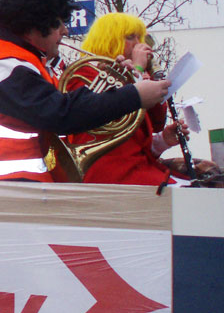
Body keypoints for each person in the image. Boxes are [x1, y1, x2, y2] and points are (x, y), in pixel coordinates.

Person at [0, 0, 170, 182]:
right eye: (59, 23)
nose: (65, 31)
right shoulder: (5, 67)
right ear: (34, 26)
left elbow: (70, 108)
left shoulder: (22, 63)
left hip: (11, 188)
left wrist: (121, 79)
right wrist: (132, 95)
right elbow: (61, 113)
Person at [62, 13, 190, 185]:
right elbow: (103, 119)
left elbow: (154, 124)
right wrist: (135, 71)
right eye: (130, 37)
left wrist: (162, 141)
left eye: (140, 37)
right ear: (109, 40)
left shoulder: (135, 76)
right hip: (112, 175)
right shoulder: (84, 73)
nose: (139, 44)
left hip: (138, 169)